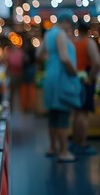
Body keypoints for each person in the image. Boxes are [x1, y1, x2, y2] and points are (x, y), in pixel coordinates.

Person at [37, 11, 78, 162]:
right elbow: (65, 58)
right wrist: (74, 72)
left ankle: (52, 147)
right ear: (67, 22)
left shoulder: (49, 34)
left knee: (53, 115)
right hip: (62, 78)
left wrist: (50, 62)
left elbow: (38, 54)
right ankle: (64, 151)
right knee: (62, 115)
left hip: (50, 76)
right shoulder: (61, 34)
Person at [71, 20, 100, 155]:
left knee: (77, 112)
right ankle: (82, 143)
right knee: (84, 112)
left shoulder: (74, 42)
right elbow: (97, 62)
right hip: (86, 79)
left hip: (76, 79)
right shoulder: (89, 43)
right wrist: (91, 77)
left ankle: (76, 142)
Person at [20, 36, 36, 112]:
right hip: (30, 69)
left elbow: (27, 61)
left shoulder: (27, 51)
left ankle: (28, 105)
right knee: (29, 87)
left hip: (28, 69)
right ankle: (29, 105)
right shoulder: (32, 50)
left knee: (28, 87)